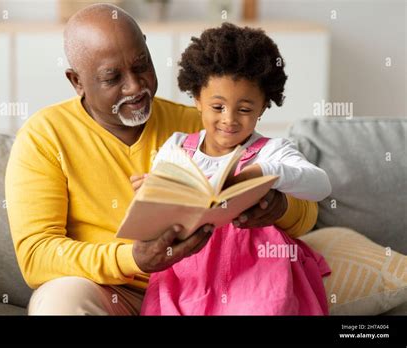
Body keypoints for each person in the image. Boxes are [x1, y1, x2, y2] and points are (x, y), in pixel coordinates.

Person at [5, 4, 320, 315]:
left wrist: (277, 207)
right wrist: (134, 259)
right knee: (60, 301)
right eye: (112, 78)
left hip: (202, 290)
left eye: (141, 65)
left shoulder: (199, 121)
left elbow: (306, 213)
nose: (135, 86)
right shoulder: (44, 136)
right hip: (108, 289)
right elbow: (37, 256)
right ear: (76, 81)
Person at [132, 23, 332, 315]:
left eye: (245, 109)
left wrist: (267, 172)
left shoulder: (271, 151)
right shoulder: (176, 146)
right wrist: (153, 191)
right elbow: (158, 211)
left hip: (256, 267)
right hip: (189, 268)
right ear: (197, 99)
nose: (229, 120)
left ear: (263, 107)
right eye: (217, 107)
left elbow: (321, 185)